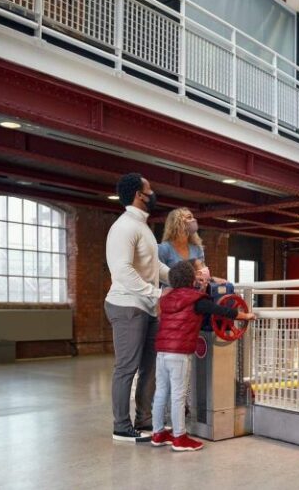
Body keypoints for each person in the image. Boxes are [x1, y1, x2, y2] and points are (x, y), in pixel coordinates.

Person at [150, 261, 255, 451]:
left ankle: (158, 433)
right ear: (192, 279)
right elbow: (221, 311)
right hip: (180, 353)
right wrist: (245, 316)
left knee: (161, 392)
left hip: (162, 351)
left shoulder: (166, 299)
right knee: (178, 395)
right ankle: (180, 437)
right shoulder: (196, 300)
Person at [104, 173, 169, 443]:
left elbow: (154, 266)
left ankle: (144, 420)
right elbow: (122, 270)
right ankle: (121, 426)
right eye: (149, 189)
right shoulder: (124, 227)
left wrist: (180, 277)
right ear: (138, 195)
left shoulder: (143, 226)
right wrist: (156, 293)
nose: (153, 193)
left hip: (148, 306)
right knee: (126, 368)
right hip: (127, 305)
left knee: (149, 368)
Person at [158, 208, 227, 284]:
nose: (194, 220)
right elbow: (159, 275)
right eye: (189, 217)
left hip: (194, 290)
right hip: (171, 290)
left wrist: (213, 280)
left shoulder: (197, 248)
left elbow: (203, 275)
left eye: (193, 217)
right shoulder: (164, 248)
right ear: (177, 222)